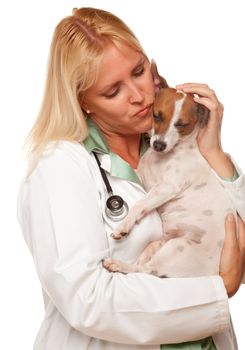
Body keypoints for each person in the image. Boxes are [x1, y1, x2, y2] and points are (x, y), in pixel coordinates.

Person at [17, 7, 245, 350]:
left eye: (139, 72)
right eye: (113, 92)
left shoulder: (177, 142)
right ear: (83, 102)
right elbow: (88, 300)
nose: (139, 96)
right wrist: (219, 287)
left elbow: (233, 234)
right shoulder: (59, 167)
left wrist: (214, 152)